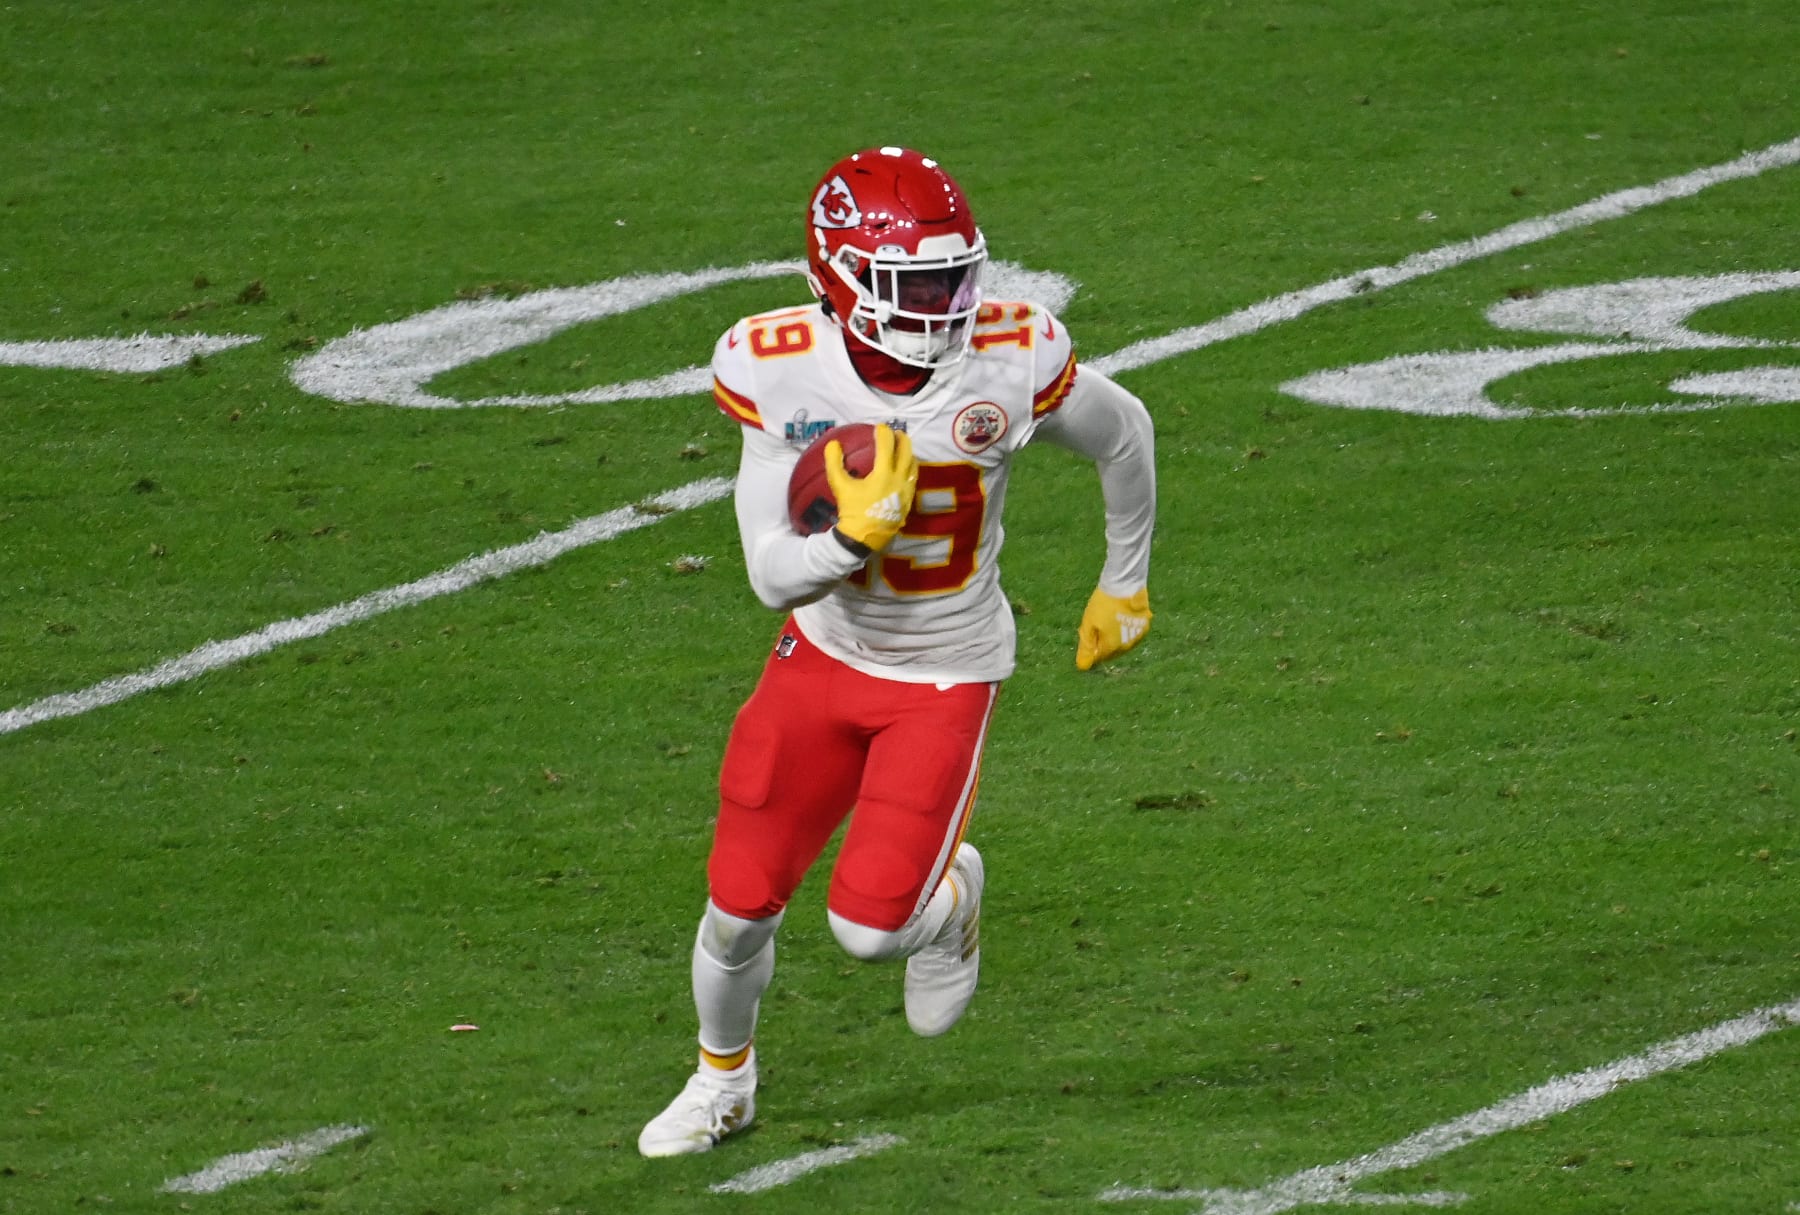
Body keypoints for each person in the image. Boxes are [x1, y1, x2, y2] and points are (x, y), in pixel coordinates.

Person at [637, 145, 1156, 1157]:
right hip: (821, 656)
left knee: (868, 933)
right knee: (737, 907)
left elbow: (1123, 434)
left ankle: (950, 895)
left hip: (946, 669)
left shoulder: (1013, 355)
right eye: (913, 281)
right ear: (837, 278)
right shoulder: (775, 361)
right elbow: (767, 571)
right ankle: (720, 1085)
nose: (944, 302)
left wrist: (1123, 579)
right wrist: (846, 541)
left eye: (955, 274)